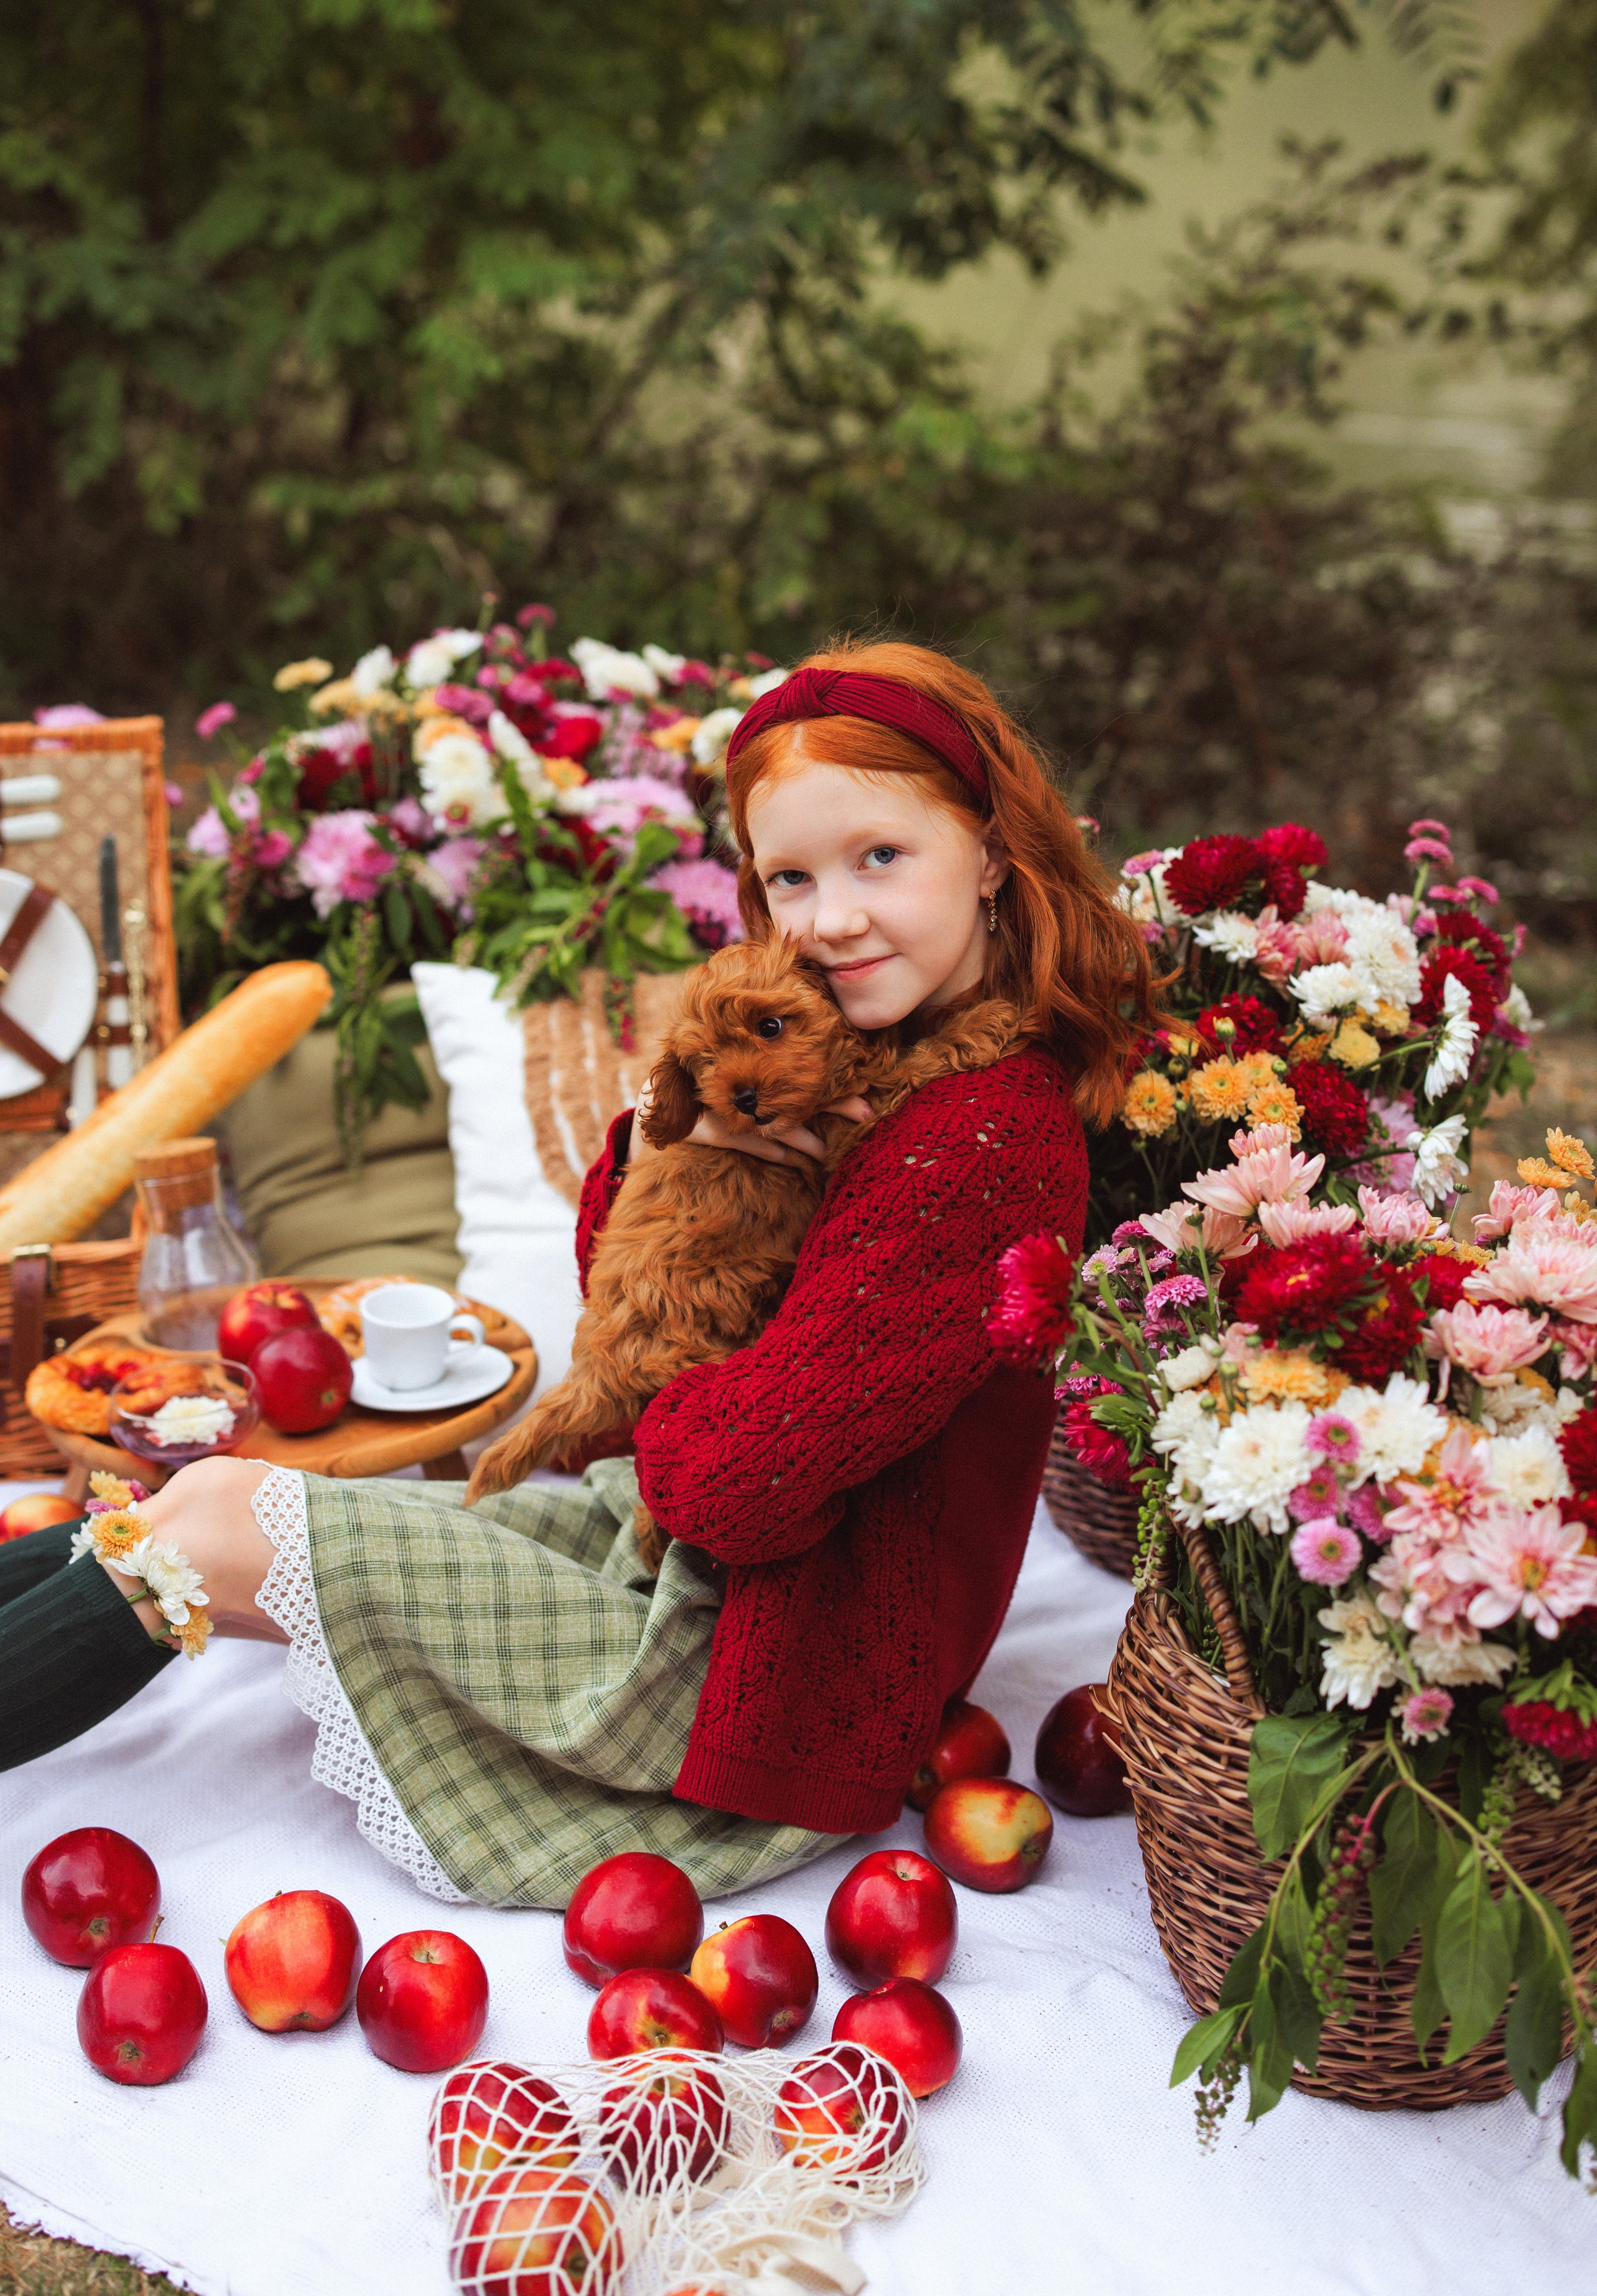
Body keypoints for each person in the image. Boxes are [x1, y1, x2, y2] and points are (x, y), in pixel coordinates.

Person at [0, 641, 1160, 1905]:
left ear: (990, 849)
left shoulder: (980, 1136)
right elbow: (629, 1279)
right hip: (697, 1564)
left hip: (775, 1674)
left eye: (880, 855)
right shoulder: (875, 1059)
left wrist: (666, 1411)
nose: (828, 918)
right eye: (789, 876)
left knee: (227, 1525)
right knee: (204, 1503)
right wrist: (697, 1149)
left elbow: (735, 1486)